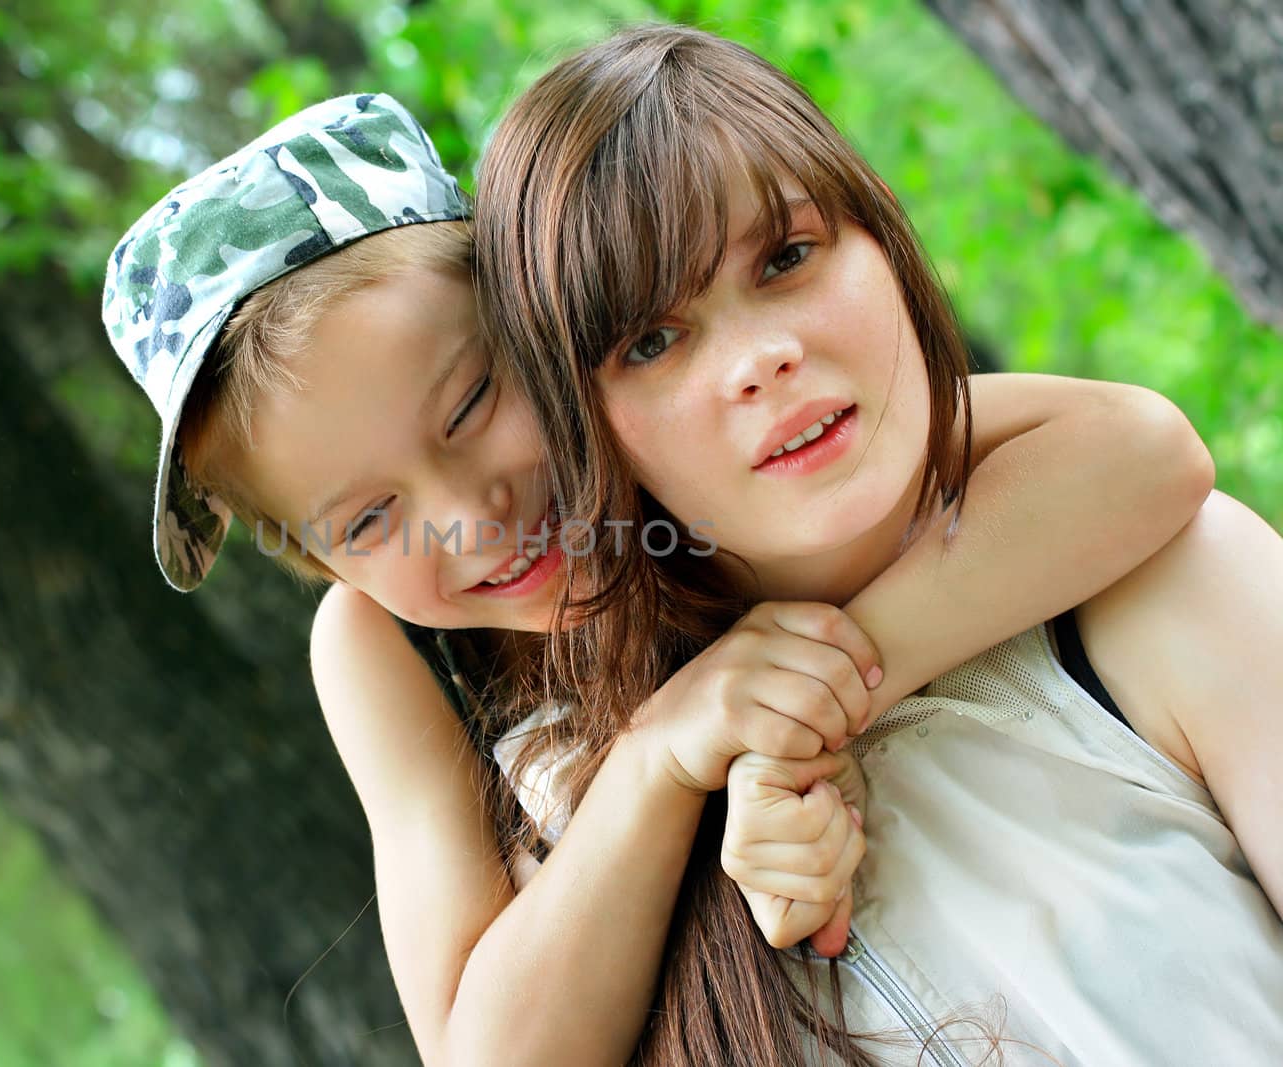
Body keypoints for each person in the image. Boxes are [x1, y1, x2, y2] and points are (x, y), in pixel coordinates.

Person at [100, 93, 1214, 1065]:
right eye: (368, 517)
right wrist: (659, 760)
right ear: (314, 555)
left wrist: (797, 708)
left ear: (547, 328)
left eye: (469, 406)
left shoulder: (698, 441)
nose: (466, 513)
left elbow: (1140, 452)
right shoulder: (378, 646)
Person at [473, 22, 1283, 1065]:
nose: (763, 357)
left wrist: (806, 712)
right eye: (652, 340)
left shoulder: (1163, 585)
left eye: (787, 257)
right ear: (583, 427)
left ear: (885, 243)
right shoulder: (598, 839)